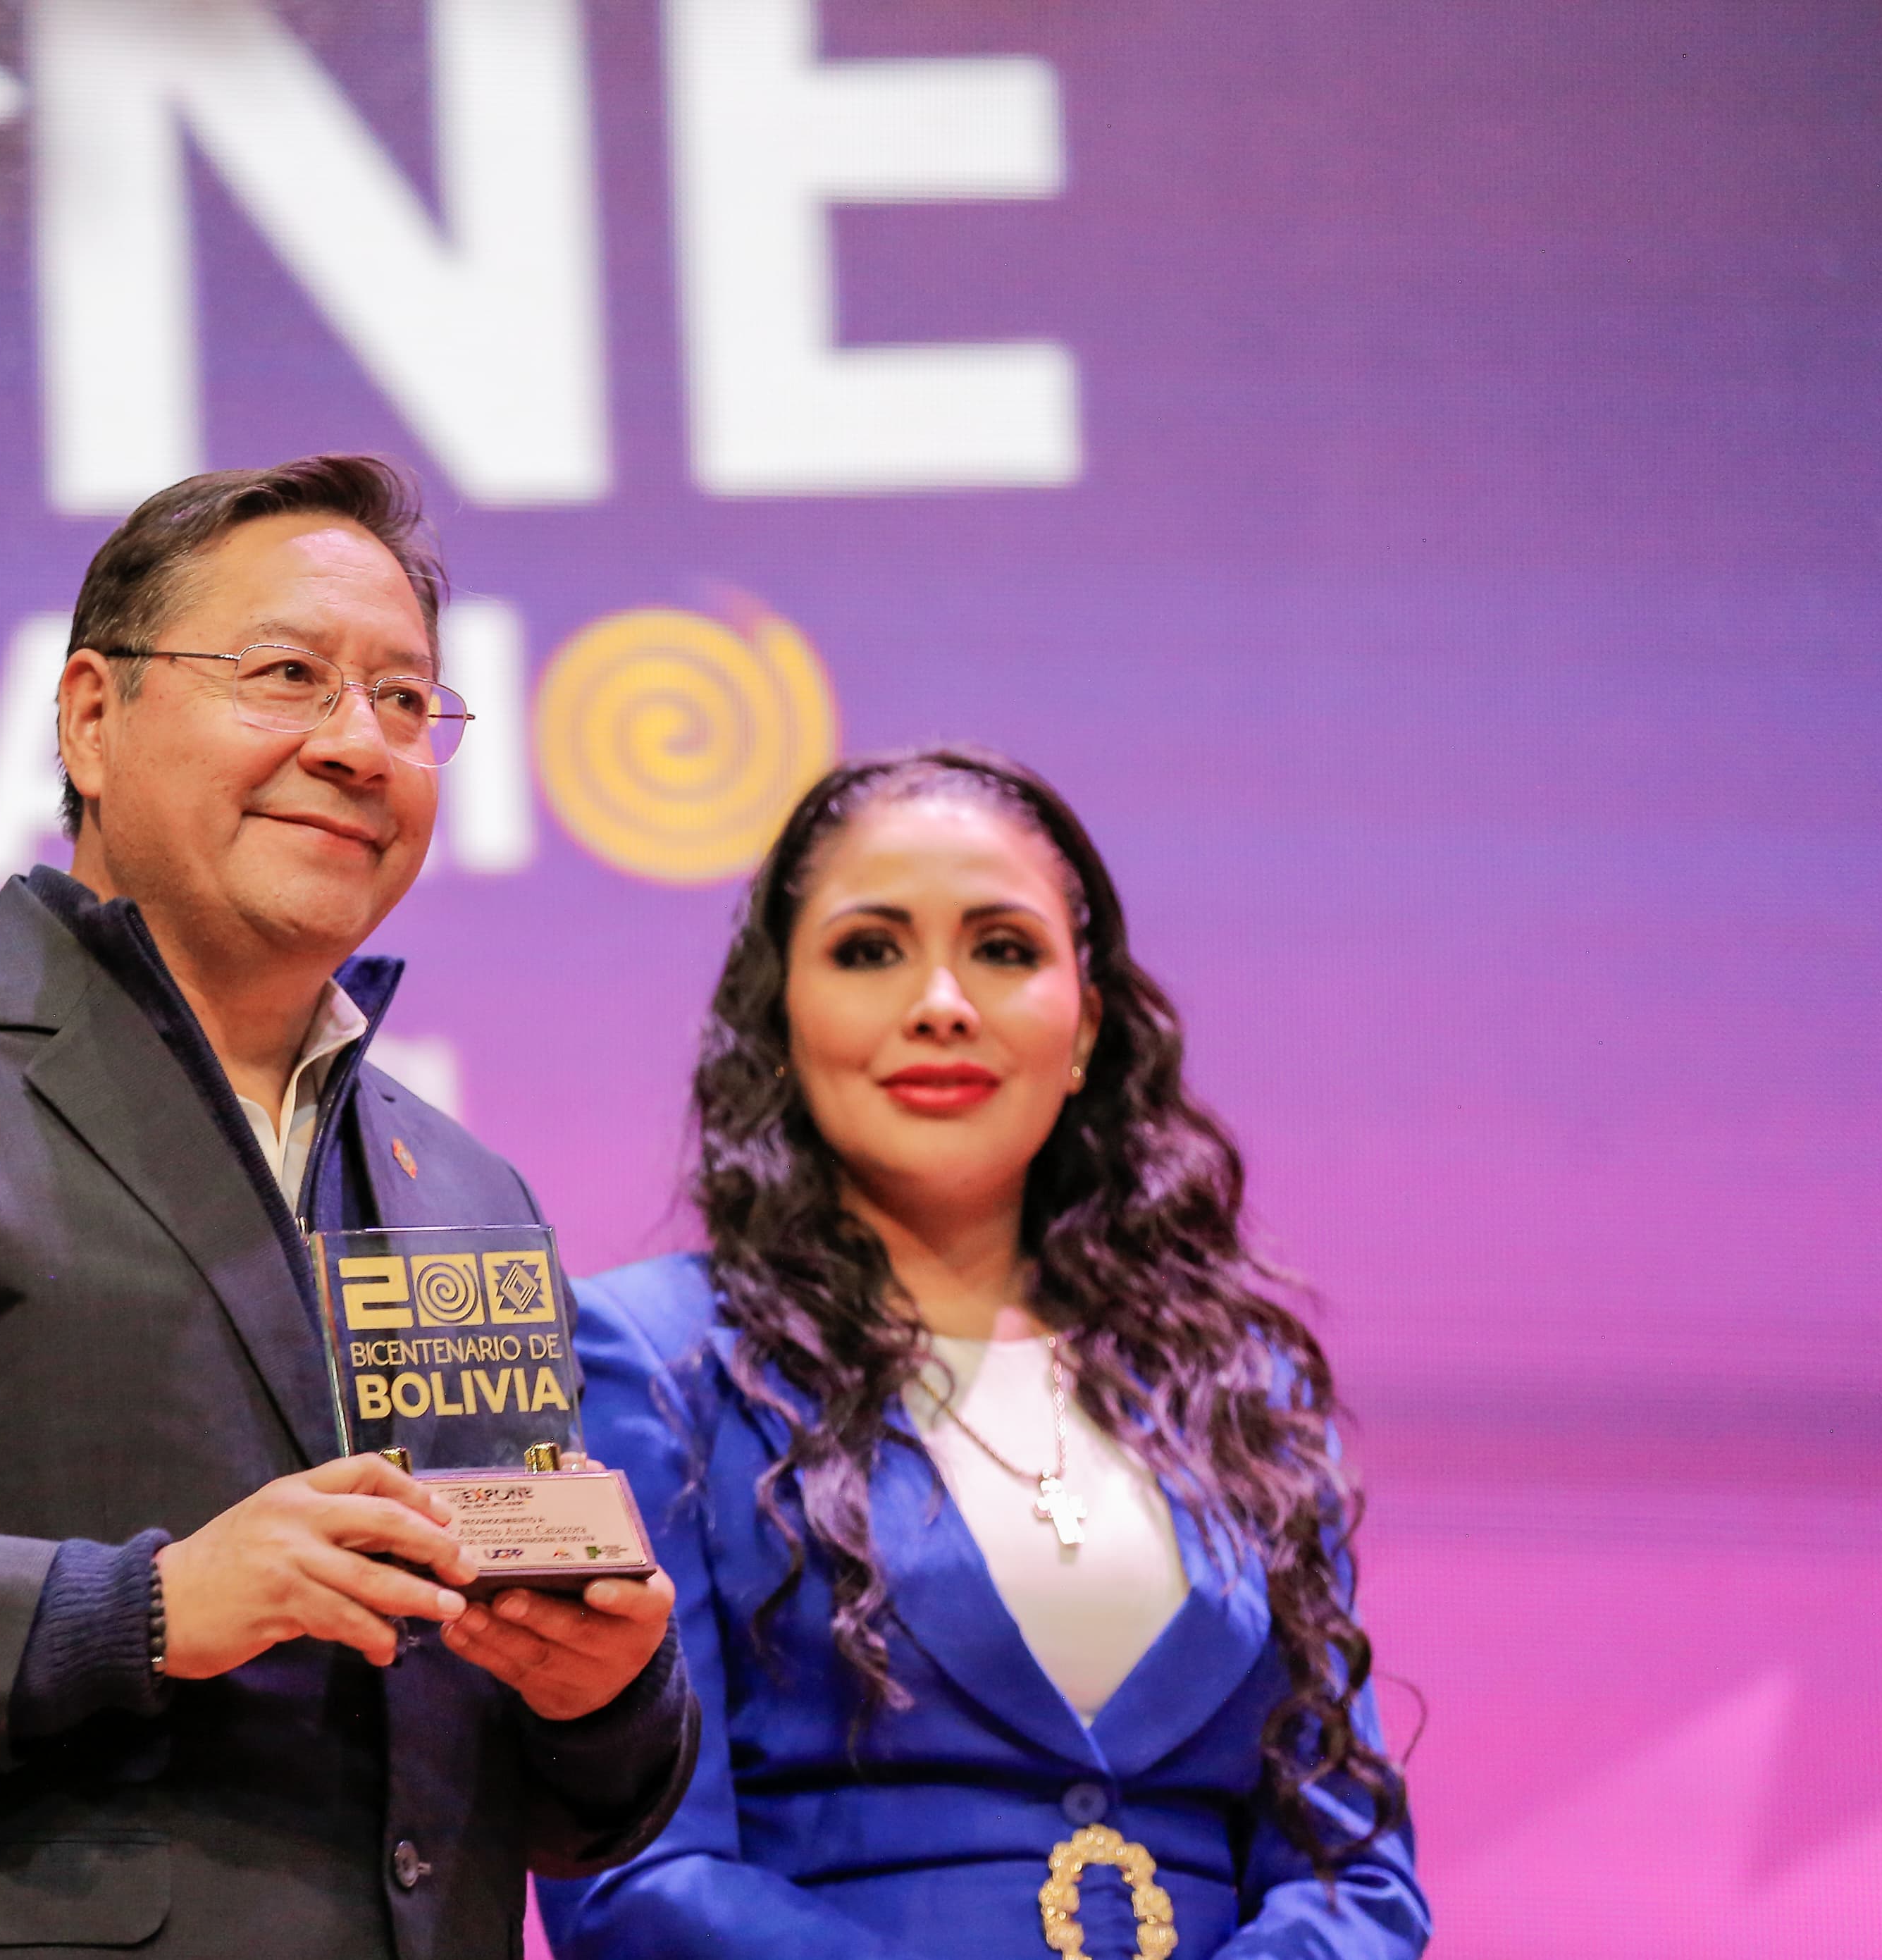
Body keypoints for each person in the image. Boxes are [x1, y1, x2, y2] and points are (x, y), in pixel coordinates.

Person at [0, 455, 694, 1959]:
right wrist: (141, 1609)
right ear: (92, 718)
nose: (358, 745)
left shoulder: (467, 1190)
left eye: (405, 700)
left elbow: (529, 1799)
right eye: (286, 675)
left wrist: (603, 1691)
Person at [537, 748, 1428, 1960]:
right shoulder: (654, 1359)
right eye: (870, 951)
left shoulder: (1236, 1388)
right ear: (780, 1016)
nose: (942, 1002)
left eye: (1004, 948)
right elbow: (638, 1874)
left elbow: (1354, 1874)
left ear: (1086, 1025)